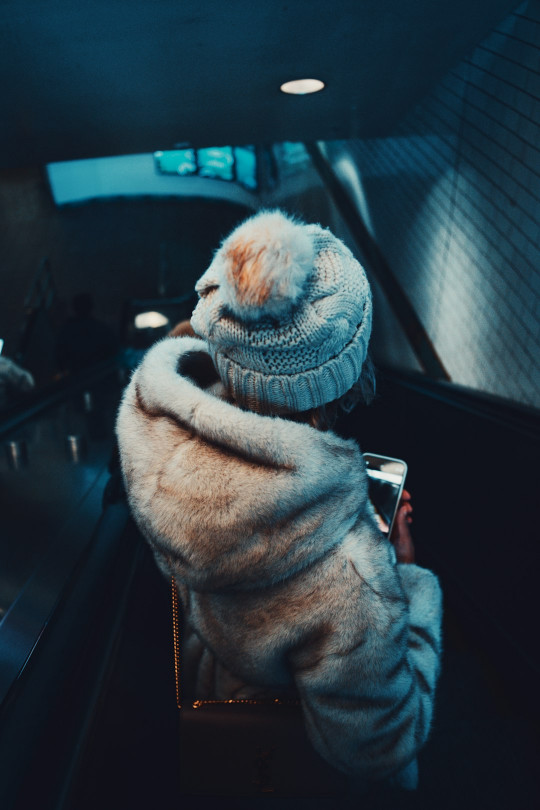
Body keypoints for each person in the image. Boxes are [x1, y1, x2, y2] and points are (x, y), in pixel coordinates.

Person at [116, 210, 442, 789]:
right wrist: (408, 575)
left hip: (222, 717)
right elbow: (381, 745)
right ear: (338, 378)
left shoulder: (173, 452)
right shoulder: (349, 577)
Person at [55, 292, 118, 375]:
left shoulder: (67, 330)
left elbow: (60, 354)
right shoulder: (101, 329)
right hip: (92, 376)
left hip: (82, 377)